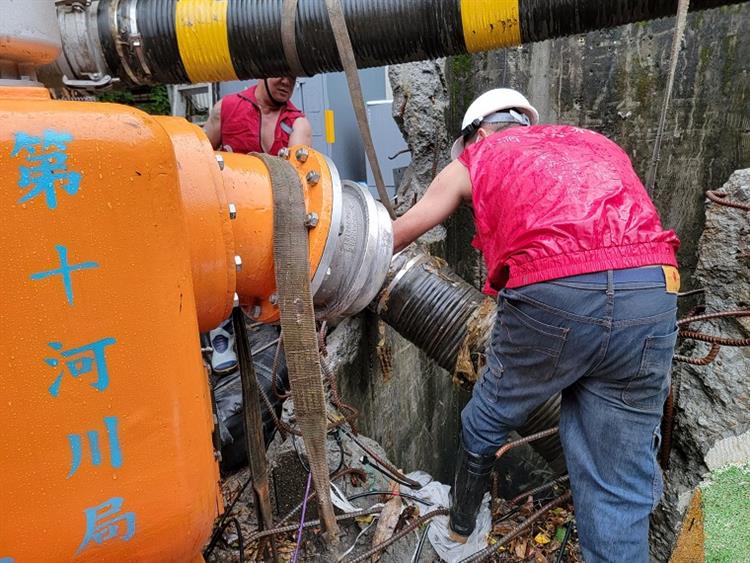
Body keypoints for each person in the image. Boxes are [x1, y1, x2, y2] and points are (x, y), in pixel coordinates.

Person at [392, 88, 680, 562]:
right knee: (618, 483)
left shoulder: (478, 155)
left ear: (479, 132)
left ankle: (461, 530)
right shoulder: (593, 141)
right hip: (652, 288)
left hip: (555, 288)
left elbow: (403, 231)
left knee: (484, 419)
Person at [204, 77, 312, 373]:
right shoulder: (225, 109)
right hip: (227, 220)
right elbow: (198, 161)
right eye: (280, 73)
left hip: (272, 225)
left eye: (292, 77)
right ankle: (221, 332)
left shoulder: (297, 124)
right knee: (217, 264)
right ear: (263, 71)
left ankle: (286, 332)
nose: (286, 82)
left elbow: (296, 181)